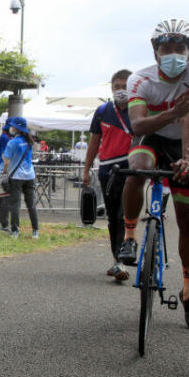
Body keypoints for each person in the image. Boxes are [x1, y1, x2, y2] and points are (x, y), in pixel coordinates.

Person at [116, 19, 189, 330]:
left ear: (188, 51)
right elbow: (139, 125)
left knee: (188, 219)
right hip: (150, 136)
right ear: (155, 52)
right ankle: (129, 237)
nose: (173, 54)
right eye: (166, 48)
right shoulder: (140, 80)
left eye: (180, 48)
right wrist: (172, 111)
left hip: (181, 140)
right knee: (137, 169)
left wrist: (187, 159)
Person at [82, 69, 133, 281]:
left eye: (125, 86)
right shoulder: (103, 111)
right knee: (113, 217)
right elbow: (94, 142)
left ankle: (125, 255)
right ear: (111, 88)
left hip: (132, 168)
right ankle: (116, 260)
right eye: (117, 86)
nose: (120, 90)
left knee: (125, 214)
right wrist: (86, 170)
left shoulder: (141, 109)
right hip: (107, 170)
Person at [2, 116, 39, 239]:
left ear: (16, 128)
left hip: (17, 177)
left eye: (12, 126)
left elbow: (6, 162)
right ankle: (35, 231)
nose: (11, 128)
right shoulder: (29, 141)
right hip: (30, 176)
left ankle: (15, 231)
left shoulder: (12, 142)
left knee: (15, 205)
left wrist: (5, 172)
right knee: (31, 204)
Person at [0, 118, 13, 231]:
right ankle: (4, 224)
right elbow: (6, 157)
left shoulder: (3, 137)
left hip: (0, 170)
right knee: (6, 199)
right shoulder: (6, 138)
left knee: (1, 198)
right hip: (3, 171)